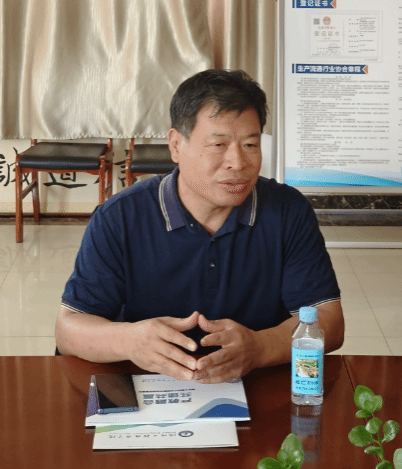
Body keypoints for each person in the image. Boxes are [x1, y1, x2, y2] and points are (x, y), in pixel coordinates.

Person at [55, 69, 344, 384]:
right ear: (176, 145)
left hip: (257, 383)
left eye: (250, 144)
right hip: (147, 385)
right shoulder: (120, 217)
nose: (238, 163)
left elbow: (329, 320)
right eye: (218, 145)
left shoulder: (287, 211)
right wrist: (130, 341)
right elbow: (69, 329)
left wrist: (260, 347)